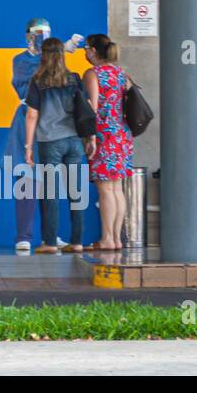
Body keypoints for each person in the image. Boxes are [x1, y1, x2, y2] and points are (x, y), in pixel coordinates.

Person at [4, 19, 85, 253]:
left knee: (51, 183)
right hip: (27, 123)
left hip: (53, 128)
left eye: (46, 34)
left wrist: (59, 55)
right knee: (27, 179)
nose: (41, 37)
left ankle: (50, 236)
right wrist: (59, 54)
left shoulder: (56, 66)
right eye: (38, 33)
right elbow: (32, 82)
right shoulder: (20, 61)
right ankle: (24, 236)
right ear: (28, 36)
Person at [23, 37, 89, 254]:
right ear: (62, 55)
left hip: (50, 142)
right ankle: (77, 242)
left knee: (50, 193)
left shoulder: (38, 81)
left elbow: (32, 115)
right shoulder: (74, 79)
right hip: (74, 141)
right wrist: (91, 139)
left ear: (43, 55)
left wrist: (28, 146)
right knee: (75, 192)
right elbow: (85, 110)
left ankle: (50, 242)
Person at [82, 33, 134, 252]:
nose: (84, 52)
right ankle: (116, 239)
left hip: (104, 135)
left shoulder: (93, 74)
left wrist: (90, 138)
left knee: (105, 189)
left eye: (86, 48)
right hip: (122, 135)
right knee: (116, 188)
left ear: (93, 50)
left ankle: (106, 239)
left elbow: (92, 108)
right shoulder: (121, 73)